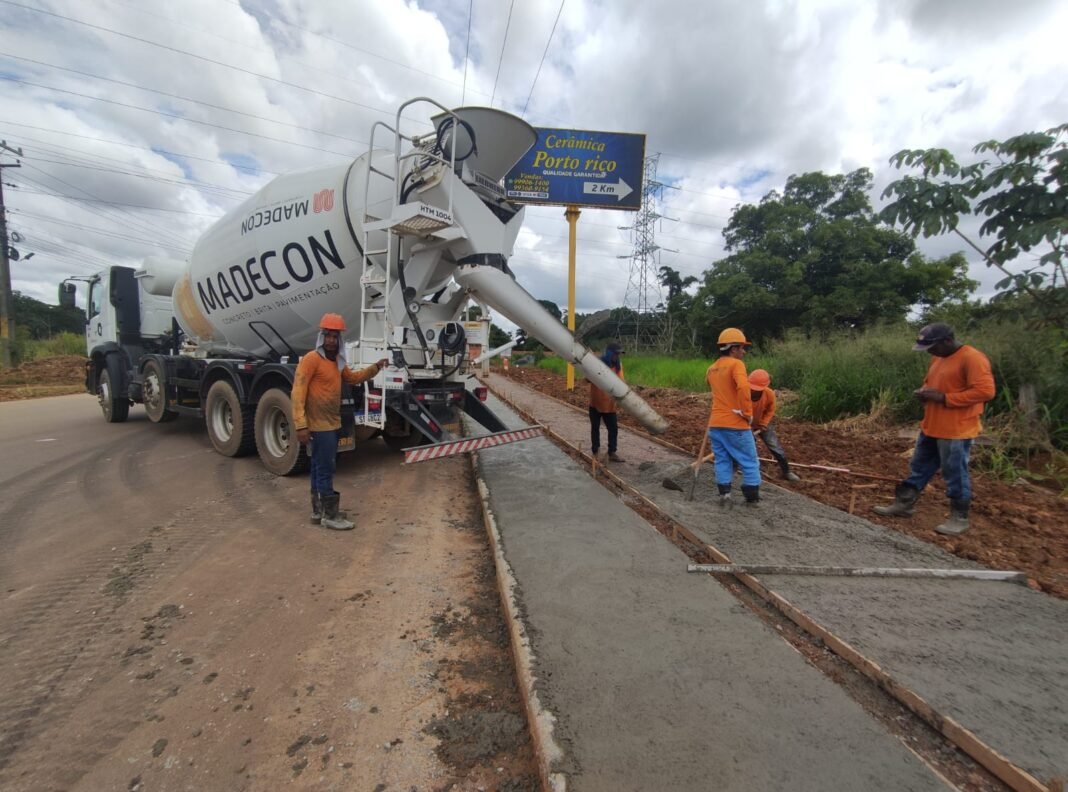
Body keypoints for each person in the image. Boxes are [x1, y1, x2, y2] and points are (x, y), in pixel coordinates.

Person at [873, 323, 995, 535]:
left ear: (947, 341)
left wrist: (944, 398)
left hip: (957, 429)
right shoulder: (939, 357)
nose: (929, 351)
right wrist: (925, 392)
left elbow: (985, 391)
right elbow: (933, 384)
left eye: (932, 347)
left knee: (954, 472)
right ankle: (904, 504)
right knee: (919, 466)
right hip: (932, 425)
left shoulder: (972, 358)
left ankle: (959, 517)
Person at [292, 313, 388, 531]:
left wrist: (376, 367)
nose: (332, 341)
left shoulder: (337, 363)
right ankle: (330, 516)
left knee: (318, 466)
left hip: (331, 423)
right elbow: (297, 393)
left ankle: (318, 511)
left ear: (339, 340)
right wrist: (301, 425)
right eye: (328, 336)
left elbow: (353, 379)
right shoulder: (311, 360)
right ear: (322, 337)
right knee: (326, 468)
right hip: (319, 425)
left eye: (335, 337)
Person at [707, 328, 761, 507]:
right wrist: (747, 413)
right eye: (742, 348)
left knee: (722, 460)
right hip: (735, 423)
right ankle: (751, 496)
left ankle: (725, 494)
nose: (744, 352)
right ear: (733, 348)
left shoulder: (712, 368)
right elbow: (743, 388)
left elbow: (716, 391)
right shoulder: (736, 365)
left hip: (716, 423)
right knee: (749, 460)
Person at [748, 369, 801, 482]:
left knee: (775, 446)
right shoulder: (743, 393)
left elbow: (770, 410)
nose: (754, 390)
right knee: (748, 447)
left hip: (763, 424)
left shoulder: (769, 394)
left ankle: (787, 471)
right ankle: (746, 469)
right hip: (746, 425)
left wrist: (764, 423)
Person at [589, 341, 624, 462]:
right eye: (615, 354)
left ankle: (612, 452)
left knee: (613, 428)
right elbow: (587, 379)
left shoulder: (618, 366)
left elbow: (621, 382)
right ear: (609, 353)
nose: (617, 356)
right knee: (595, 428)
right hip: (596, 401)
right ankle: (595, 451)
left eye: (618, 354)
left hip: (609, 404)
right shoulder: (597, 364)